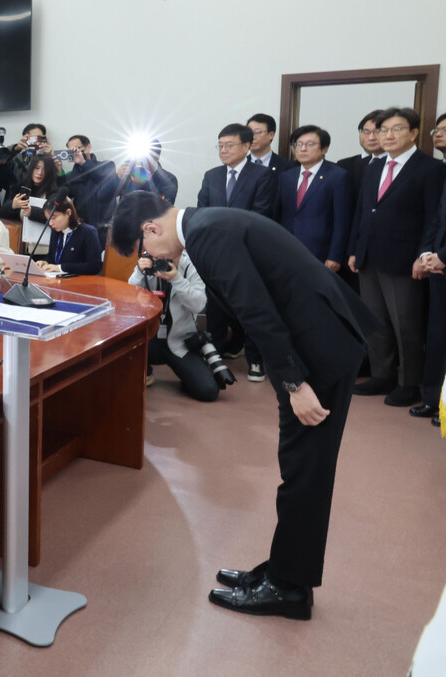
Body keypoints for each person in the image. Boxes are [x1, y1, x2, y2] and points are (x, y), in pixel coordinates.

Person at [111, 191, 379, 620]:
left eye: (146, 248)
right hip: (314, 340)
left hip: (318, 351)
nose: (151, 256)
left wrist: (294, 383)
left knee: (305, 470)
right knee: (299, 465)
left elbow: (257, 313)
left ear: (150, 228)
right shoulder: (206, 224)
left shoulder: (207, 234)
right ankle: (285, 570)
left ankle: (289, 589)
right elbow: (245, 295)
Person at [348, 107, 446, 407]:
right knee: (374, 321)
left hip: (405, 260)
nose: (387, 135)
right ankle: (381, 375)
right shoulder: (374, 167)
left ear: (414, 133)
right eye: (383, 130)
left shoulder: (430, 168)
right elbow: (362, 212)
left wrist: (423, 255)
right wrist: (354, 248)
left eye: (396, 129)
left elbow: (434, 218)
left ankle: (409, 382)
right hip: (368, 257)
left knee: (407, 325)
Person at [196, 123, 277, 381]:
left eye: (229, 145)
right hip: (215, 253)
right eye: (220, 146)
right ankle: (215, 355)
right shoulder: (212, 175)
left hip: (247, 251)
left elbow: (260, 214)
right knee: (216, 308)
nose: (223, 150)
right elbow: (202, 211)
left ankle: (255, 359)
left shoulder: (261, 175)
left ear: (246, 146)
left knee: (250, 306)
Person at [129, 249, 219, 402]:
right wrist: (139, 271)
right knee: (119, 378)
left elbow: (199, 305)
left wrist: (176, 279)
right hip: (149, 339)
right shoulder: (147, 259)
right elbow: (129, 297)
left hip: (179, 342)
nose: (160, 257)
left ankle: (185, 372)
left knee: (208, 391)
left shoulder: (190, 263)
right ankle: (146, 368)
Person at [276, 125, 350, 270]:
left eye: (310, 144)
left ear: (324, 149)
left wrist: (334, 255)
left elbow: (342, 221)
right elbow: (278, 214)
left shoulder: (338, 176)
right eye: (298, 144)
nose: (303, 149)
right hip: (287, 247)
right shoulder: (287, 176)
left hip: (320, 252)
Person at [415, 177, 446, 426]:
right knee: (437, 338)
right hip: (439, 271)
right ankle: (433, 400)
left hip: (443, 261)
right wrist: (427, 254)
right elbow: (437, 218)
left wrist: (443, 256)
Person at [33, 198, 101, 275]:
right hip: (57, 280)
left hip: (80, 282)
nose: (50, 223)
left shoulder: (88, 232)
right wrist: (45, 262)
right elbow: (52, 257)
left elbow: (94, 266)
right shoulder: (56, 231)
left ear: (68, 213)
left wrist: (61, 268)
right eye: (48, 220)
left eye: (53, 218)